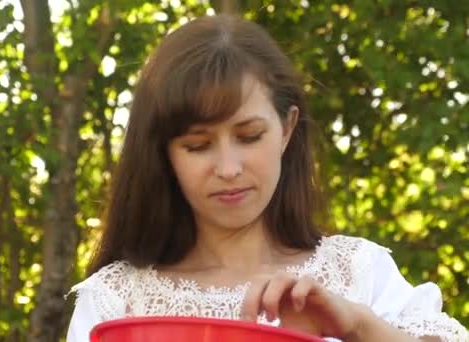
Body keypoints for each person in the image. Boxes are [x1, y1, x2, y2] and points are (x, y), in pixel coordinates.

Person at [65, 14, 468, 342]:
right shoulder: (115, 303)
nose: (228, 168)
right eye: (197, 145)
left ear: (287, 129)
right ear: (164, 153)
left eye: (249, 136)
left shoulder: (358, 273)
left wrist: (356, 326)